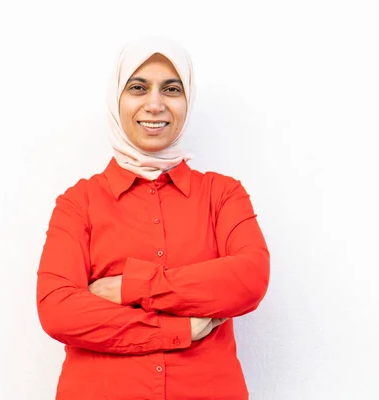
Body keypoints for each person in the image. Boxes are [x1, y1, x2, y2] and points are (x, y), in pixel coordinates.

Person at [36, 36, 270, 400]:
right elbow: (58, 310)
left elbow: (249, 279)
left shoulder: (222, 195)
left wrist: (133, 287)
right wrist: (177, 330)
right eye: (138, 87)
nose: (155, 104)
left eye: (171, 89)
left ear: (187, 100)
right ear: (117, 98)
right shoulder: (78, 203)